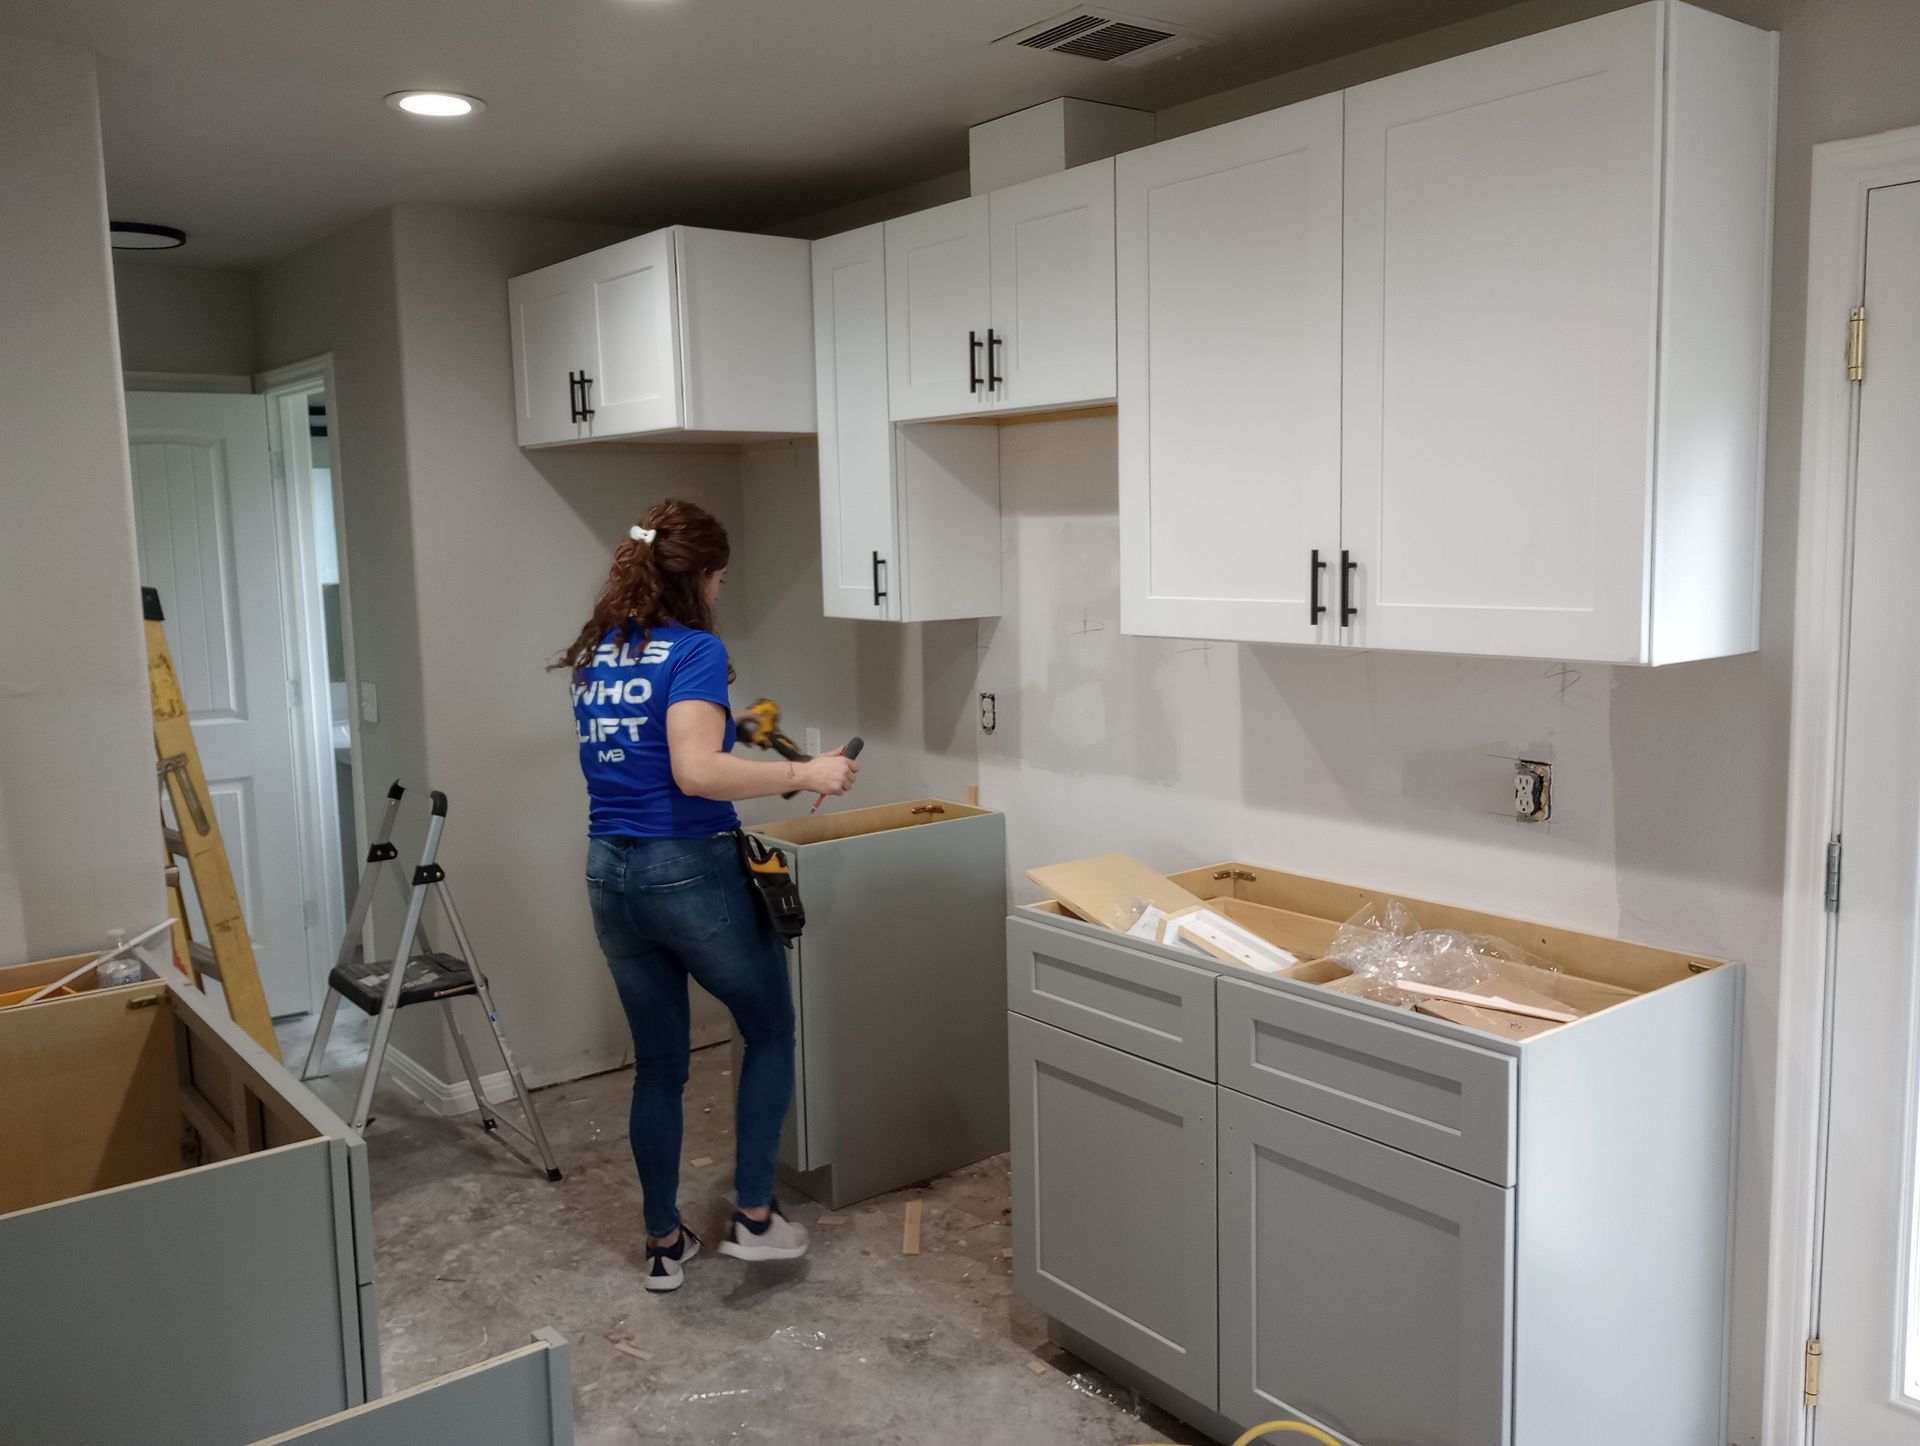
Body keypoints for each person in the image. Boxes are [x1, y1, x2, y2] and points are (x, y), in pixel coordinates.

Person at [554, 498, 858, 1293]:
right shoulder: (696, 650)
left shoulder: (603, 651)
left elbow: (654, 748)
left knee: (660, 1065)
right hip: (685, 867)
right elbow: (693, 774)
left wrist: (740, 734)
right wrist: (807, 770)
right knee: (768, 1030)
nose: (721, 592)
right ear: (699, 578)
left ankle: (664, 1244)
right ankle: (756, 1218)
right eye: (720, 578)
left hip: (609, 873)